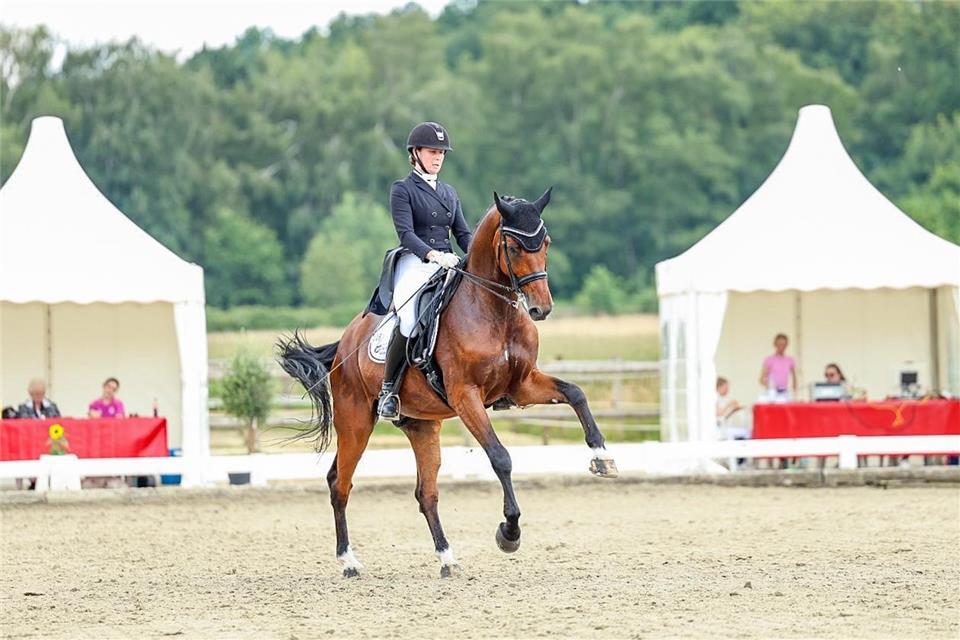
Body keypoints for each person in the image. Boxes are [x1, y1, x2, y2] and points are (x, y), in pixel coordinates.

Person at [377, 122, 473, 420]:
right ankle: (388, 391)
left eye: (442, 153)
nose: (438, 157)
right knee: (408, 318)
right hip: (415, 262)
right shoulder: (402, 189)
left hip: (448, 262)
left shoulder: (449, 192)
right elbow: (406, 234)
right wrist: (433, 255)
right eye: (432, 151)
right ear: (415, 153)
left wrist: (477, 259)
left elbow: (463, 233)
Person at [759, 333, 797, 401]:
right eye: (779, 344)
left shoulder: (790, 360)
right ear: (775, 344)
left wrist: (794, 394)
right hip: (773, 394)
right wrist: (769, 386)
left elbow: (794, 379)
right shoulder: (769, 360)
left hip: (786, 393)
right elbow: (761, 379)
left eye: (784, 345)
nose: (781, 347)